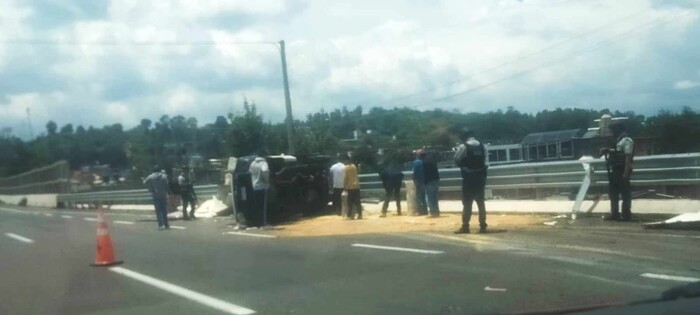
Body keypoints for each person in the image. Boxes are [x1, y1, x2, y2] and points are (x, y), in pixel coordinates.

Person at [453, 128, 488, 234]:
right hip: (480, 178)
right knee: (481, 203)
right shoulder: (482, 146)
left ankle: (465, 226)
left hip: (468, 179)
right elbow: (486, 163)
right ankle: (482, 226)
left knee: (467, 203)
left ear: (464, 136)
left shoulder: (463, 147)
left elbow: (456, 159)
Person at [600, 122, 634, 221]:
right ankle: (614, 213)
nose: (612, 133)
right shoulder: (618, 141)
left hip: (622, 170)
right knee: (613, 193)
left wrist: (625, 173)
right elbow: (618, 152)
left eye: (613, 130)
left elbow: (627, 158)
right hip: (614, 170)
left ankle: (626, 214)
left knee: (625, 194)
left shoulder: (627, 141)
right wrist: (608, 150)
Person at [143, 165, 170, 230]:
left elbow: (144, 182)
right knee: (164, 211)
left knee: (158, 211)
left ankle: (160, 225)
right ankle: (166, 224)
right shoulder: (164, 176)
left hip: (155, 195)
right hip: (163, 195)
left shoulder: (151, 176)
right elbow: (167, 185)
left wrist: (150, 187)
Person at [249, 155, 271, 227]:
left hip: (255, 186)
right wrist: (266, 181)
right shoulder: (264, 163)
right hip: (262, 186)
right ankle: (264, 223)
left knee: (257, 205)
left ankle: (257, 222)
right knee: (263, 206)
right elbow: (265, 171)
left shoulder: (252, 163)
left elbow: (250, 172)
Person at [423, 151, 441, 217]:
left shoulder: (425, 163)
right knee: (435, 198)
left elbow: (425, 175)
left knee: (430, 198)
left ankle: (432, 212)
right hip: (435, 181)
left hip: (429, 182)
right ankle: (436, 212)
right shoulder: (433, 163)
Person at [412, 150, 428, 215]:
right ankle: (425, 210)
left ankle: (420, 211)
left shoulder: (416, 162)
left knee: (418, 196)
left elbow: (415, 172)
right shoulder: (425, 161)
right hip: (425, 181)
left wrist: (414, 180)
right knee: (424, 197)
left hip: (418, 181)